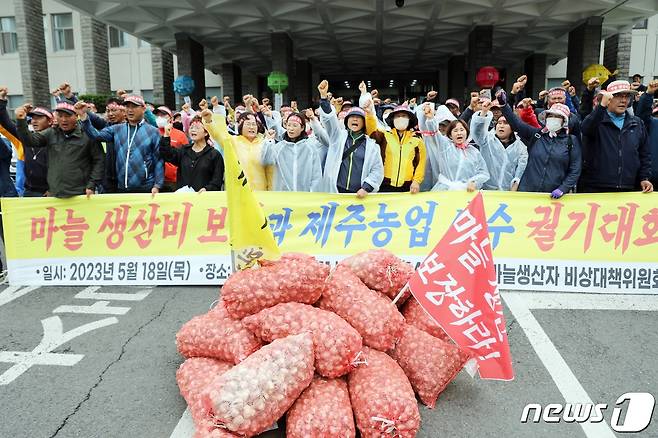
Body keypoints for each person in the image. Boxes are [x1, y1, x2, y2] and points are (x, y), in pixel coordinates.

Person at [498, 91, 581, 198]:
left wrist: (563, 188)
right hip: (527, 194)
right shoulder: (537, 135)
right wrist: (504, 106)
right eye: (550, 115)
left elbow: (575, 169)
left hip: (552, 197)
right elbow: (516, 124)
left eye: (557, 116)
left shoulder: (571, 141)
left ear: (564, 121)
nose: (552, 118)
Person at [77, 94, 163, 195]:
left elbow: (159, 160)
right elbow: (96, 135)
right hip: (121, 188)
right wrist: (83, 116)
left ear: (143, 109)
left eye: (134, 107)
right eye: (127, 107)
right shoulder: (117, 129)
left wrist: (157, 185)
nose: (130, 110)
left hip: (146, 188)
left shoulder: (153, 132)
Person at [15, 102, 104, 198]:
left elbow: (99, 160)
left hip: (81, 193)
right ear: (56, 117)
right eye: (60, 116)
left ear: (76, 116)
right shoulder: (51, 133)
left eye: (68, 116)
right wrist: (21, 120)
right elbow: (30, 141)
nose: (64, 120)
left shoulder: (87, 134)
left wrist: (92, 184)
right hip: (55, 193)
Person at [580, 80, 653, 193]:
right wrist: (601, 106)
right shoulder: (597, 120)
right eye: (618, 96)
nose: (623, 100)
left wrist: (644, 178)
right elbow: (585, 128)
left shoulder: (637, 123)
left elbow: (644, 155)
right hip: (596, 188)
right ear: (608, 99)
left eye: (627, 96)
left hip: (627, 187)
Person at [316, 80, 384, 196]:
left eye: (358, 118)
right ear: (346, 121)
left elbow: (377, 170)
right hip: (335, 191)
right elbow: (329, 120)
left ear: (364, 122)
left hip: (358, 195)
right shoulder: (337, 137)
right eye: (351, 117)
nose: (355, 119)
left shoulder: (372, 145)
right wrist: (323, 97)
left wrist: (366, 188)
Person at [203, 97, 273, 191]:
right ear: (240, 127)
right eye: (248, 124)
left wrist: (272, 191)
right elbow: (217, 134)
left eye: (254, 124)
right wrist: (209, 121)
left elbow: (270, 171)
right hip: (239, 192)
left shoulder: (264, 144)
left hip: (261, 192)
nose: (251, 127)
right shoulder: (233, 141)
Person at [416, 102, 490, 192]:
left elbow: (483, 172)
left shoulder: (474, 151)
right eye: (455, 130)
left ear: (467, 133)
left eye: (462, 130)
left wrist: (474, 181)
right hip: (444, 191)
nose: (459, 133)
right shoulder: (445, 146)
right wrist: (430, 118)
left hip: (467, 192)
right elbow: (435, 133)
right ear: (450, 135)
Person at [364, 102, 426, 193]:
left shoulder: (417, 140)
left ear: (409, 119)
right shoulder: (384, 135)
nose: (400, 118)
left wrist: (416, 181)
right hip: (384, 184)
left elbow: (421, 163)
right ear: (392, 119)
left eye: (404, 116)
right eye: (397, 116)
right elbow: (371, 131)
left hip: (407, 186)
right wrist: (369, 115)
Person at [471, 99, 528, 191]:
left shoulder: (520, 147)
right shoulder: (486, 140)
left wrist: (515, 184)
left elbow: (520, 169)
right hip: (485, 191)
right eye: (499, 123)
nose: (501, 126)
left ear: (512, 127)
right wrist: (484, 112)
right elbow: (477, 131)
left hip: (507, 193)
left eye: (505, 123)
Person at [261, 113, 322, 192]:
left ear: (302, 127)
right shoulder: (279, 147)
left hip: (305, 197)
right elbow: (266, 161)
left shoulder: (310, 148)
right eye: (288, 125)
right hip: (284, 196)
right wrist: (269, 142)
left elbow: (316, 175)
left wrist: (312, 193)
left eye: (294, 125)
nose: (291, 128)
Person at [160, 115, 224, 192]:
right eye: (191, 127)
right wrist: (166, 135)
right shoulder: (184, 150)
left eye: (197, 128)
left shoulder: (214, 155)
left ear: (206, 133)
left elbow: (217, 181)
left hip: (204, 199)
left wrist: (207, 189)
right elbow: (167, 155)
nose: (193, 130)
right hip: (183, 200)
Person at [154, 105, 188, 192]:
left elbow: (186, 157)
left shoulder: (180, 135)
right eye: (158, 115)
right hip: (154, 180)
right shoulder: (152, 132)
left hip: (174, 180)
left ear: (171, 118)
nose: (160, 117)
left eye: (163, 115)